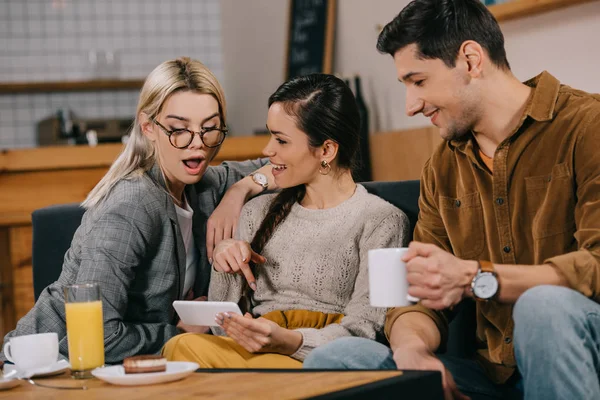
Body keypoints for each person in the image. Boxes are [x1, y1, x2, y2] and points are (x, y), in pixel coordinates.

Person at [302, 1, 600, 399]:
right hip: (491, 375)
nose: (410, 105)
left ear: (471, 59)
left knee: (542, 306)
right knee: (337, 359)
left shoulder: (587, 126)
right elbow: (422, 296)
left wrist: (475, 278)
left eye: (418, 81)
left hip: (580, 355)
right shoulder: (442, 167)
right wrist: (413, 350)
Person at [1, 57, 275, 364]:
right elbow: (97, 336)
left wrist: (240, 191)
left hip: (133, 370)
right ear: (148, 127)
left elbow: (280, 162)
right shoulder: (132, 205)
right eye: (178, 129)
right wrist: (176, 332)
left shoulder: (201, 184)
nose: (197, 144)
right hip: (48, 369)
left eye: (209, 129)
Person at [162, 73, 410, 368]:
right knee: (181, 346)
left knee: (294, 368)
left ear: (327, 150)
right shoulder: (257, 211)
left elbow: (367, 328)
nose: (267, 150)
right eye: (270, 136)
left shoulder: (382, 220)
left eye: (281, 140)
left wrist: (291, 341)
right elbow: (221, 327)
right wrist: (225, 262)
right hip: (252, 349)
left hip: (317, 354)